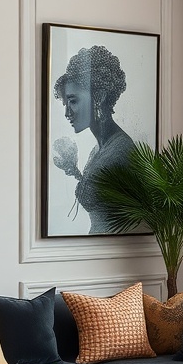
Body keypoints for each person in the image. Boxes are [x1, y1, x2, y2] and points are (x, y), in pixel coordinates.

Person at [52, 45, 136, 234]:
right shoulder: (97, 150)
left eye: (73, 101)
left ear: (100, 96)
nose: (67, 113)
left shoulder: (121, 150)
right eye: (65, 103)